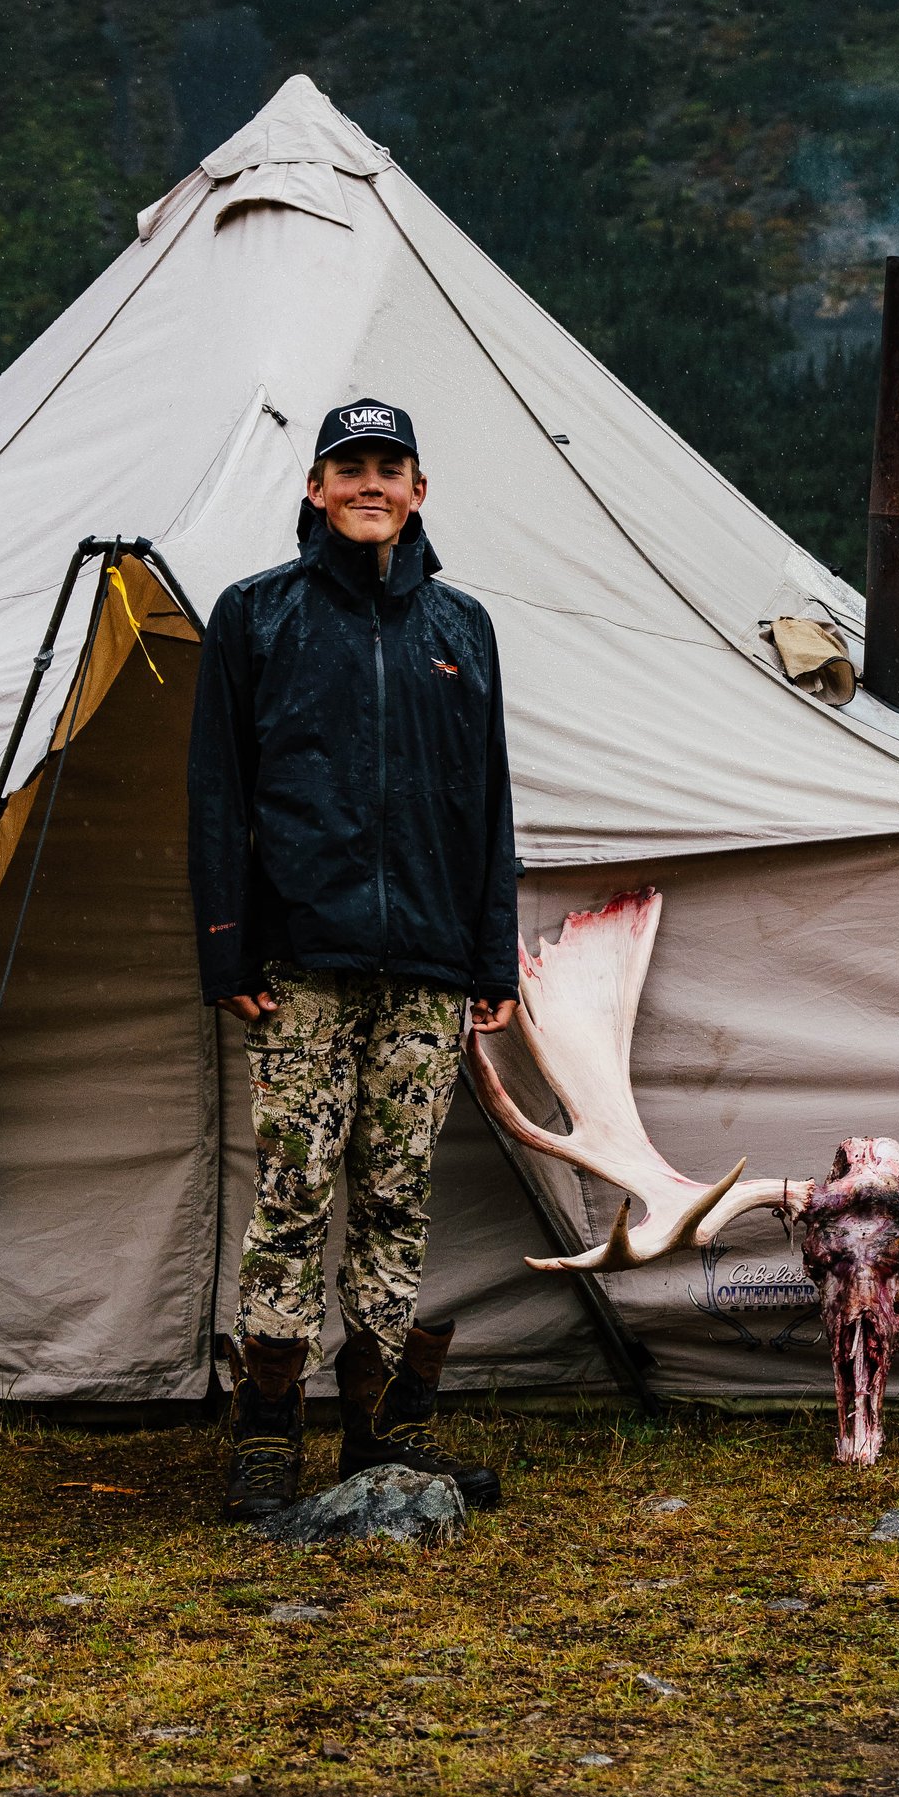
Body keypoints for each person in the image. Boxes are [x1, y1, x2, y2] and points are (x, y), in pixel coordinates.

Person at [188, 397, 520, 1523]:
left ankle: (379, 1431)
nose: (370, 484)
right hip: (300, 962)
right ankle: (266, 1432)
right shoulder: (257, 616)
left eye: (390, 467)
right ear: (316, 488)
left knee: (396, 1193)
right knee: (292, 1191)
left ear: (419, 490)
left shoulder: (463, 627)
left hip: (428, 963)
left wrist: (491, 958)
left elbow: (489, 802)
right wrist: (226, 946)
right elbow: (218, 793)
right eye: (350, 467)